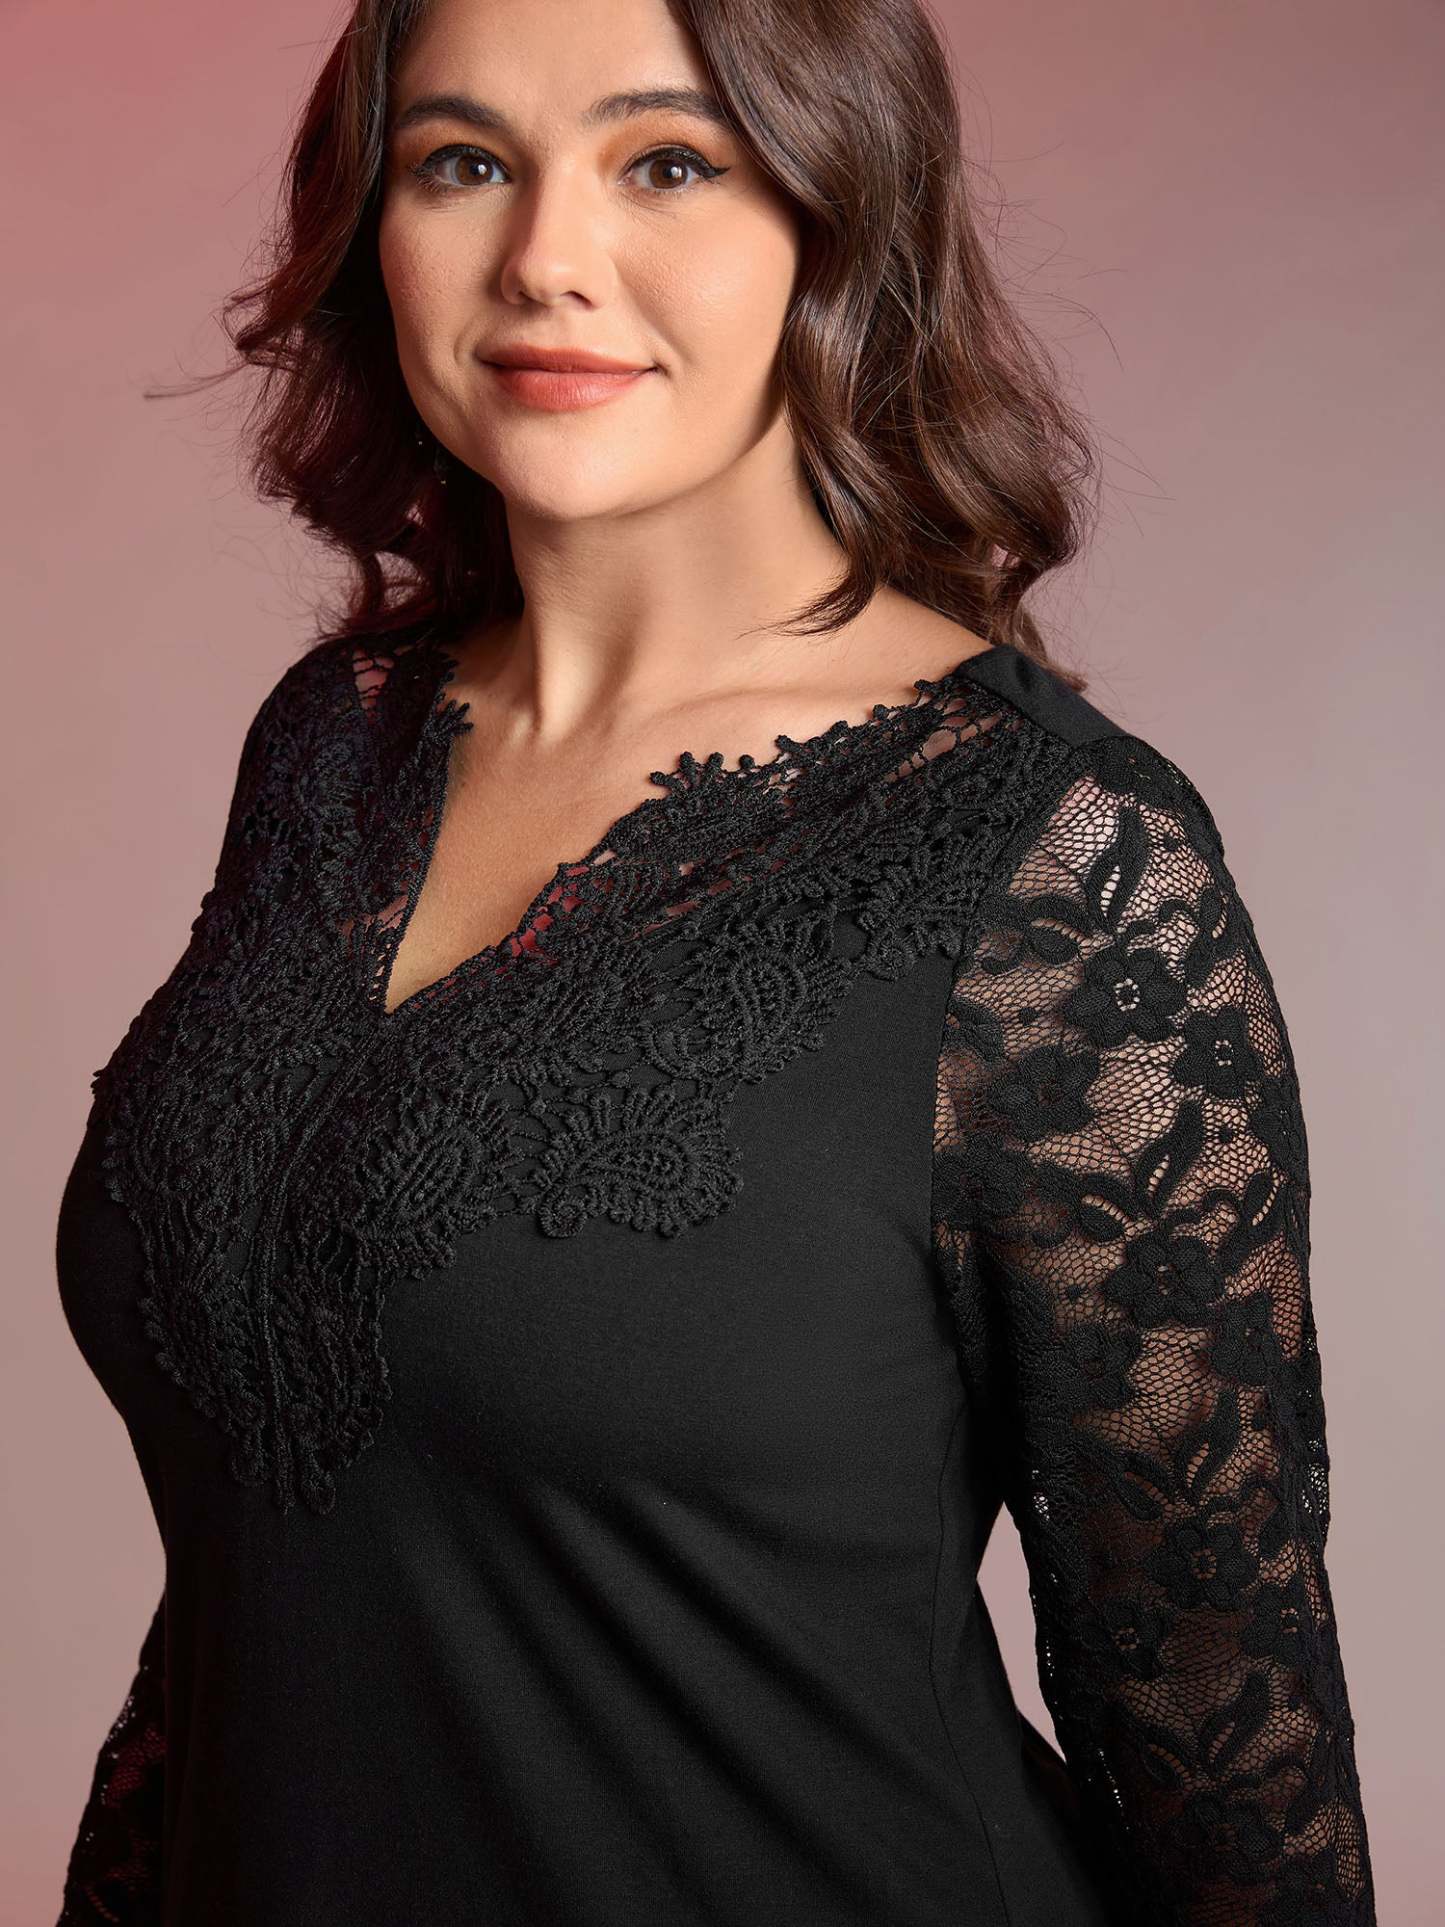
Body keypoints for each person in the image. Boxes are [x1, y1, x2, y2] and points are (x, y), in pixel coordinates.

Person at [53, 0, 1375, 1921]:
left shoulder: (1053, 857)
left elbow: (1225, 1747)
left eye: (667, 162)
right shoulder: (332, 747)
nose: (545, 258)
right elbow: (257, 1596)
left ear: (841, 221)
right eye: (461, 162)